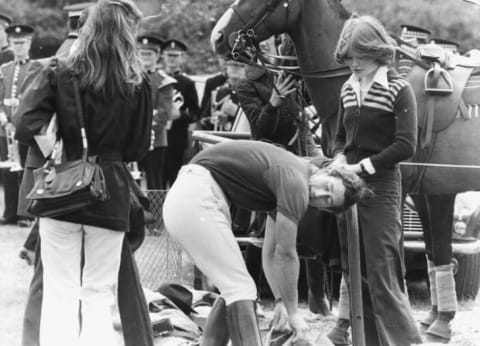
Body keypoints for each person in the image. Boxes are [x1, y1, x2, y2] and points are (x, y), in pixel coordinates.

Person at [14, 1, 152, 346]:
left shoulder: (58, 69)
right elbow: (137, 149)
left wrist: (58, 151)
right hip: (112, 188)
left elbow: (25, 124)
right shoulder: (140, 82)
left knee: (60, 291)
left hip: (63, 183)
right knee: (98, 292)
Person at [163, 140, 372, 345]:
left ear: (325, 210)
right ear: (327, 172)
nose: (319, 194)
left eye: (327, 200)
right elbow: (285, 253)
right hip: (197, 196)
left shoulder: (291, 179)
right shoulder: (296, 182)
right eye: (327, 186)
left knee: (234, 288)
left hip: (191, 194)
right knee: (240, 289)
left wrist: (281, 300)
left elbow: (270, 251)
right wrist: (294, 314)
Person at [330, 15, 422, 346]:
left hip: (380, 187)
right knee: (356, 272)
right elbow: (340, 137)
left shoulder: (399, 88)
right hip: (347, 187)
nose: (354, 64)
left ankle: (406, 342)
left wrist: (363, 166)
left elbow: (405, 145)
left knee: (382, 272)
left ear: (378, 52)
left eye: (360, 56)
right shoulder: (347, 88)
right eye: (349, 57)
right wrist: (340, 156)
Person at [237, 34, 334, 316]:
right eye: (254, 53)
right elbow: (262, 129)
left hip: (302, 150)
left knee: (314, 215)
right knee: (270, 235)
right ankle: (273, 299)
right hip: (271, 157)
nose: (258, 58)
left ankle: (318, 295)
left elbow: (306, 115)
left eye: (265, 49)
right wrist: (275, 101)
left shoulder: (287, 73)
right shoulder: (247, 86)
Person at [0, 24, 42, 227]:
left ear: (29, 43)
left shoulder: (36, 67)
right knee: (8, 171)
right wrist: (3, 118)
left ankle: (26, 213)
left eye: (22, 43)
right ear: (9, 44)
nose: (18, 47)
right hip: (5, 128)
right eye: (14, 44)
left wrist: (23, 123)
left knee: (27, 170)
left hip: (26, 129)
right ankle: (9, 213)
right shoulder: (4, 70)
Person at [137, 33, 180, 189]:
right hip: (132, 140)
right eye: (142, 53)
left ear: (157, 56)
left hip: (155, 140)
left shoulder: (163, 80)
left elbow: (163, 114)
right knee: (132, 181)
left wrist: (142, 130)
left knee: (155, 184)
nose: (145, 57)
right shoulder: (130, 77)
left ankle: (155, 213)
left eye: (149, 54)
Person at [161, 38, 200, 186]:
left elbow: (196, 112)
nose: (172, 59)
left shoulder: (187, 83)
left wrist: (181, 115)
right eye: (169, 55)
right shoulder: (156, 79)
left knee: (175, 181)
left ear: (182, 57)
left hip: (176, 139)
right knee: (155, 183)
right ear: (163, 56)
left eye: (175, 56)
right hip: (156, 138)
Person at [200, 59, 245, 131]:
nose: (235, 68)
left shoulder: (251, 92)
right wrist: (213, 120)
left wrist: (236, 111)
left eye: (241, 66)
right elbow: (203, 120)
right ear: (226, 66)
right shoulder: (219, 91)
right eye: (232, 64)